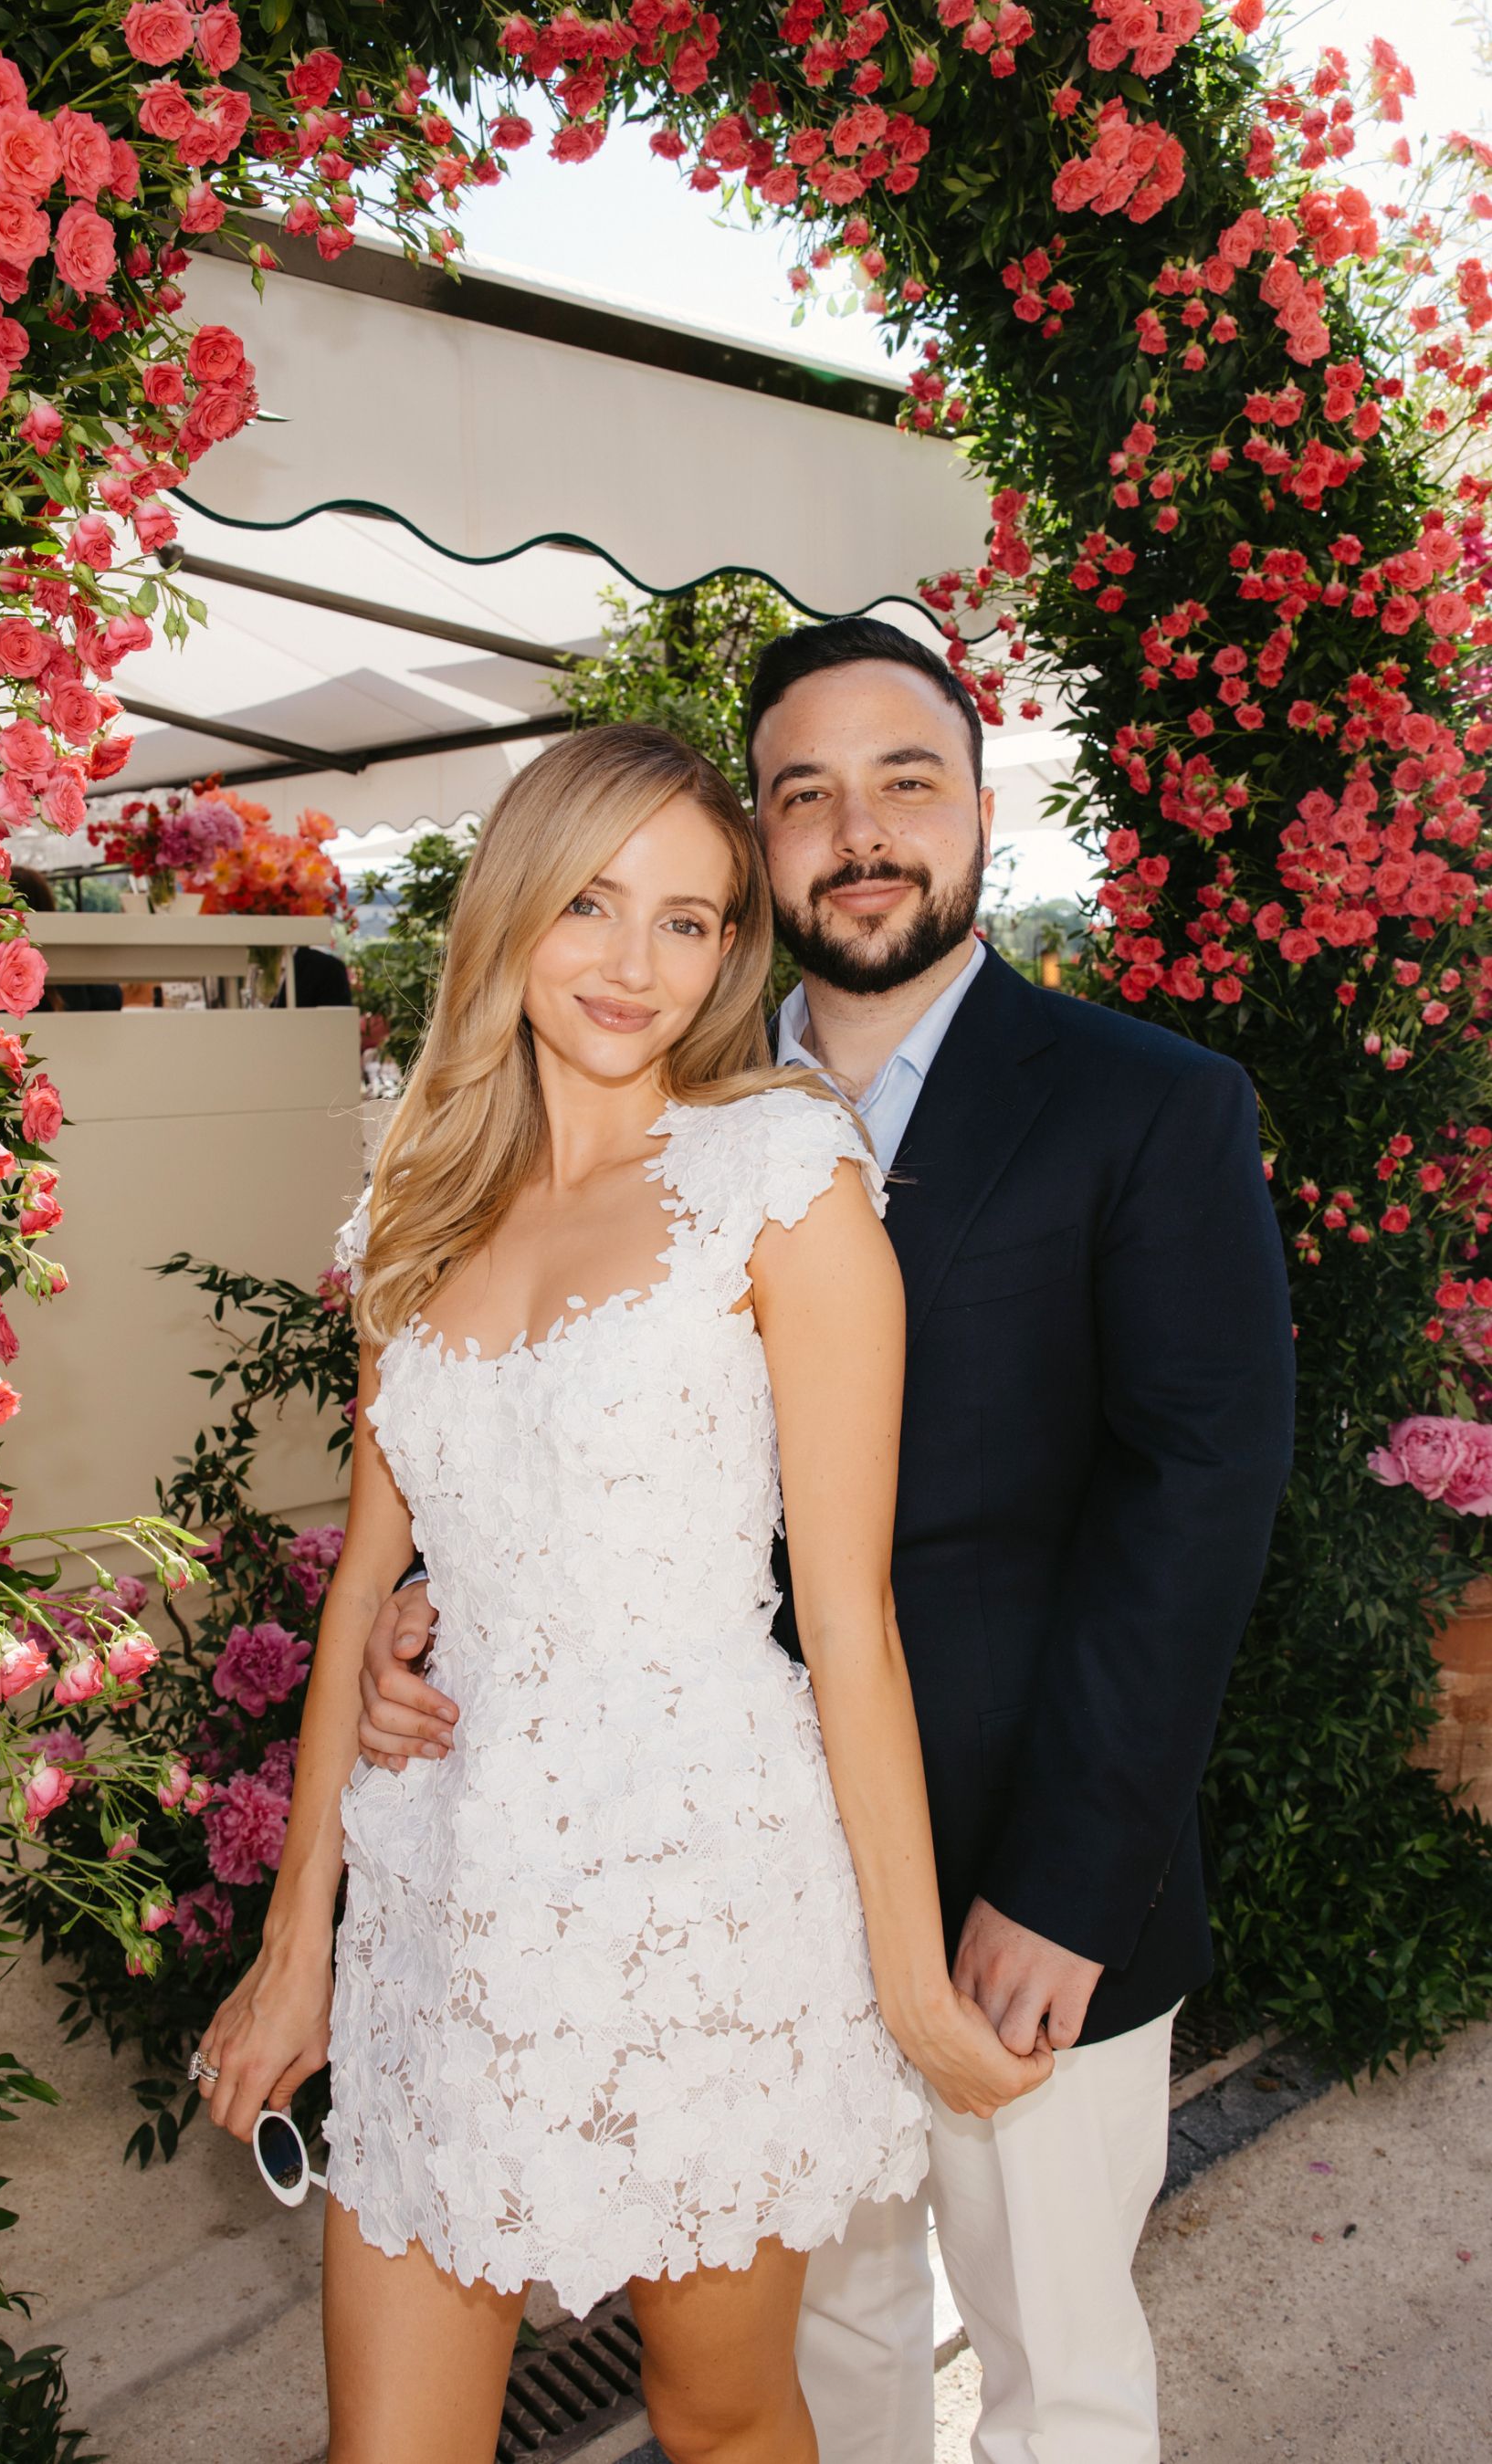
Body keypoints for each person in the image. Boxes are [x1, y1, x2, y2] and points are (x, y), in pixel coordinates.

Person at [359, 624, 1297, 2463]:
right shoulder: (668, 1114)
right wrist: (436, 1605)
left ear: (981, 814)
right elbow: (574, 1415)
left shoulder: (1149, 1104)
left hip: (1015, 1878)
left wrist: (1066, 1881)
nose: (858, 833)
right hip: (720, 1912)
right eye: (807, 796)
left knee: (1056, 2376)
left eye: (906, 783)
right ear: (760, 851)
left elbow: (1197, 1506)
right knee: (816, 2375)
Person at [192, 721, 1049, 2464]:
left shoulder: (783, 1185)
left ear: (734, 950)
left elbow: (854, 1620)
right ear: (512, 907)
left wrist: (905, 1991)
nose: (633, 963)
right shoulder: (416, 1211)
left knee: (719, 2418)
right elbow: (371, 1579)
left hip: (702, 1900)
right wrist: (298, 1956)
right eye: (592, 902)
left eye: (690, 920)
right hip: (443, 1897)